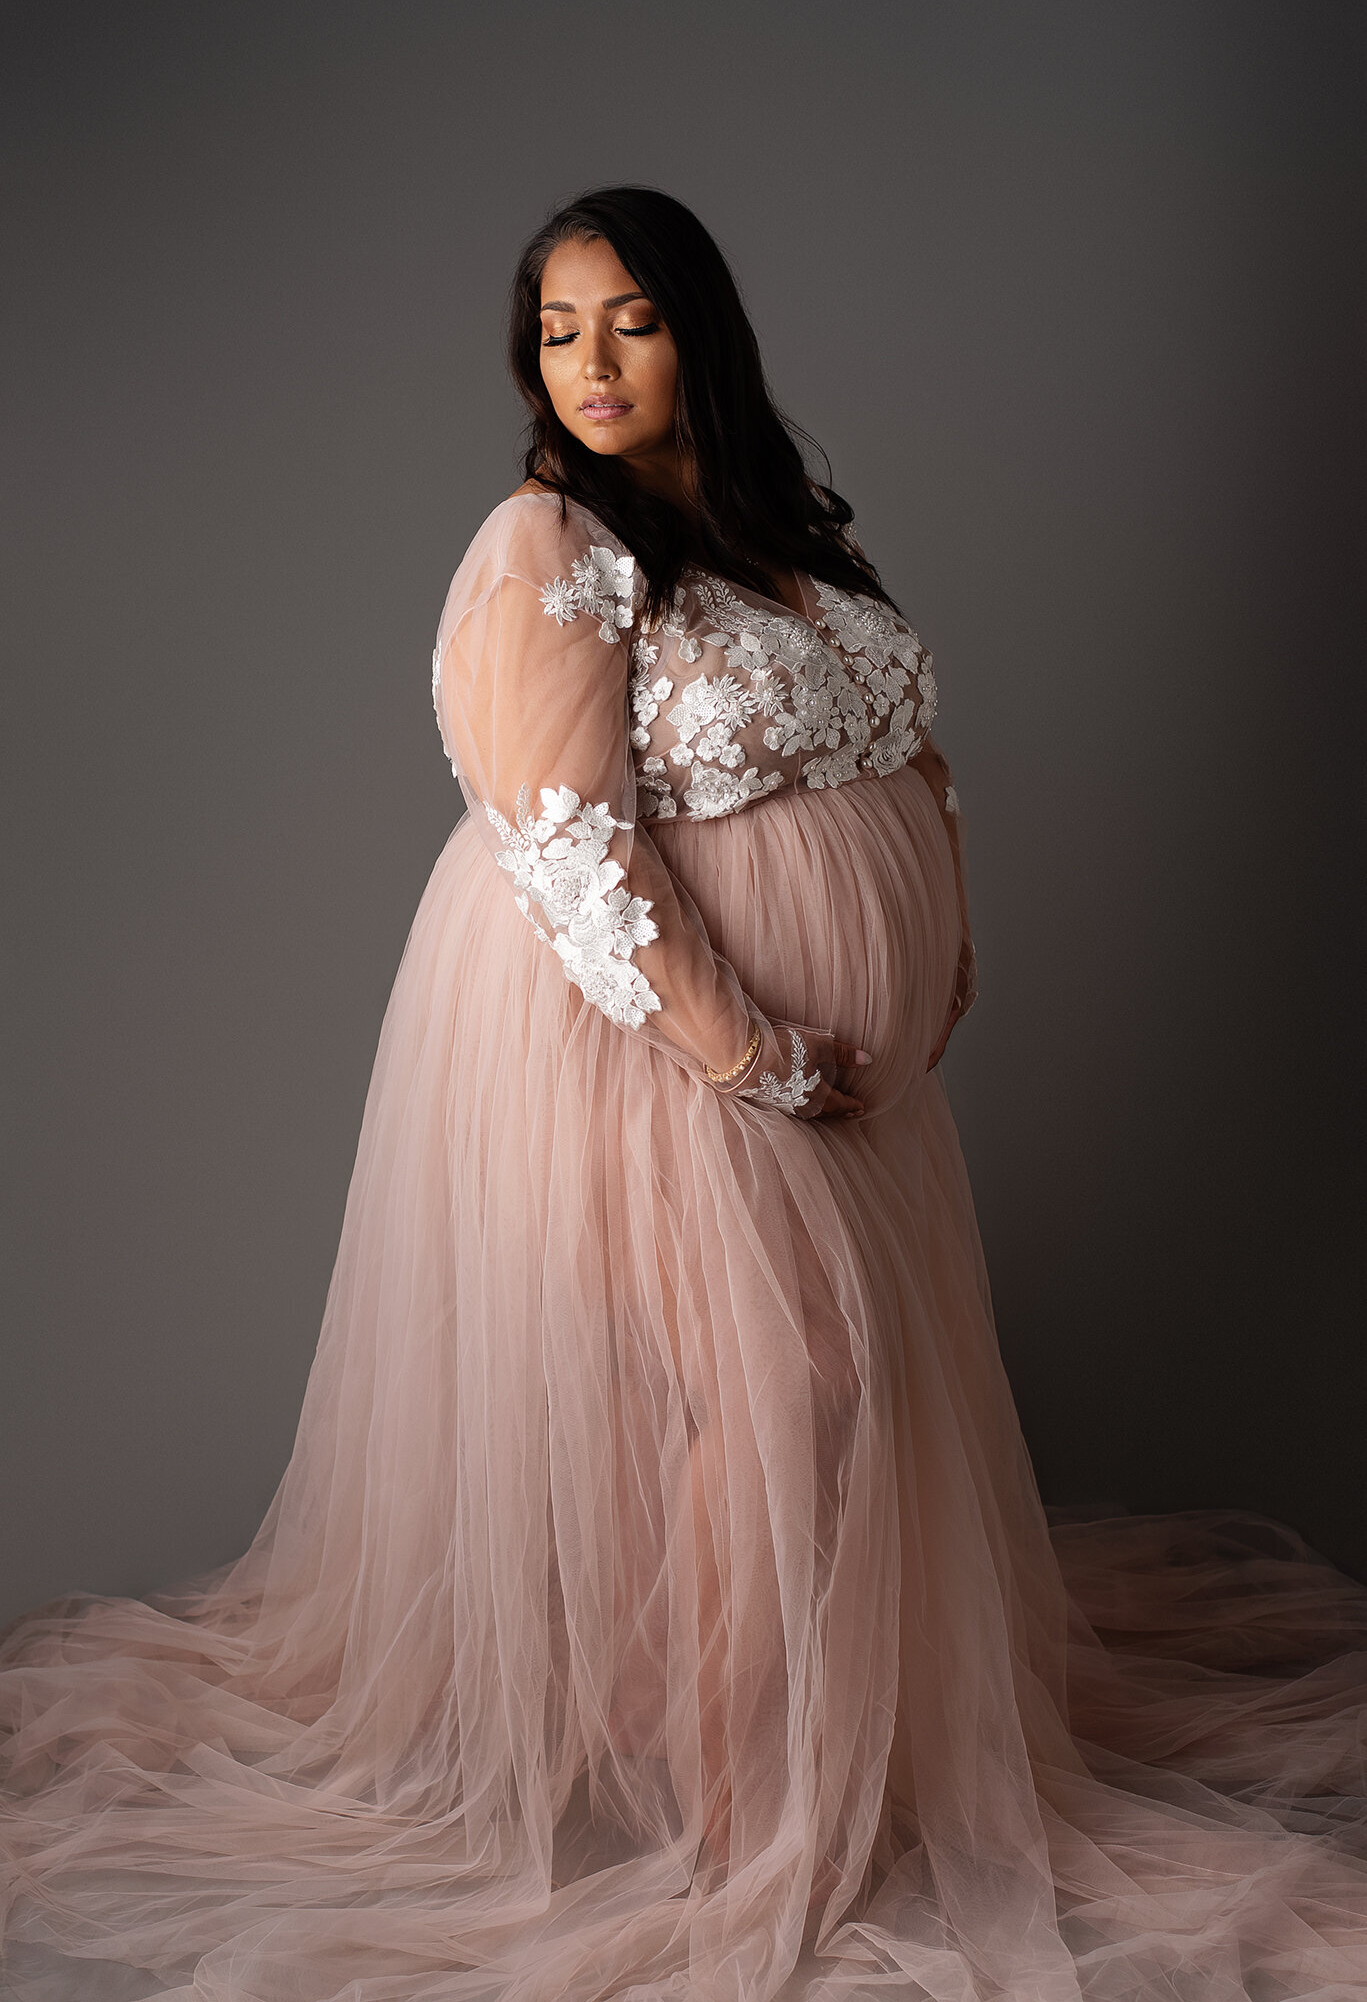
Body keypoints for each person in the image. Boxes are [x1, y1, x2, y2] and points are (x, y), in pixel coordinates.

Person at [2, 185, 1365, 2002]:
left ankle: (819, 1755)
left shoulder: (776, 536)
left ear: (697, 329)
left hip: (846, 1075)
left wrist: (938, 945)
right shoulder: (543, 545)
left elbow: (901, 743)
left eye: (627, 320)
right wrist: (744, 1046)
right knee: (766, 1397)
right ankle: (749, 1815)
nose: (591, 363)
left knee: (830, 1403)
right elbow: (562, 834)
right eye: (558, 333)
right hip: (649, 1046)